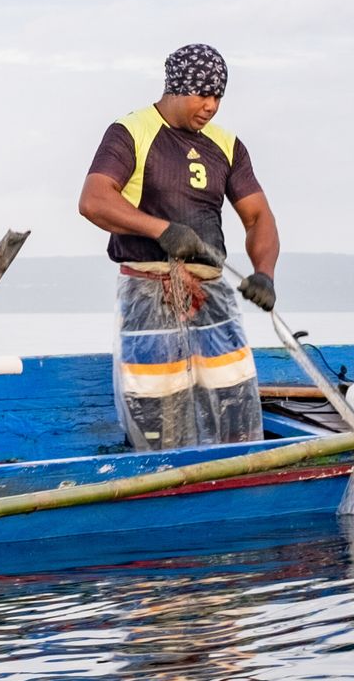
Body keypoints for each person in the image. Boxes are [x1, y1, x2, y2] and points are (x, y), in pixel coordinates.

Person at [76, 42, 279, 452]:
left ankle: (234, 479)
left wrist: (264, 273)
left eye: (218, 96)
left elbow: (259, 217)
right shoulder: (131, 132)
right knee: (156, 402)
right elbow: (94, 200)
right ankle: (160, 480)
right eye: (202, 94)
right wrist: (161, 230)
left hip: (212, 295)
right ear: (175, 88)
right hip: (150, 293)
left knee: (233, 396)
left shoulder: (226, 145)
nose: (211, 106)